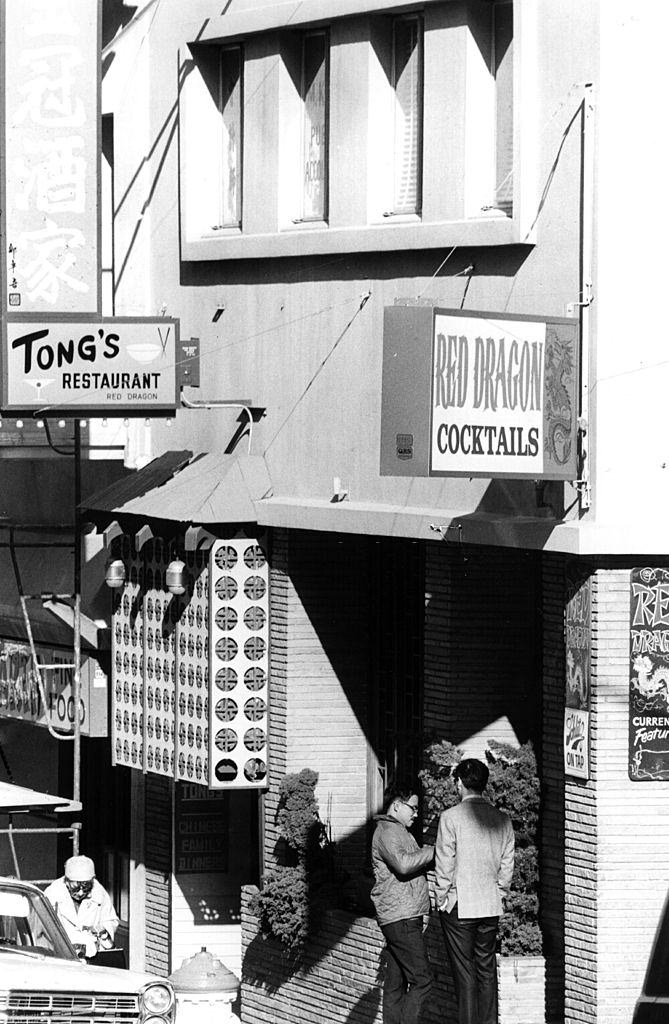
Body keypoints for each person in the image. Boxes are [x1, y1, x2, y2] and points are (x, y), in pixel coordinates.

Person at [435, 758, 515, 1024]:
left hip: (459, 904)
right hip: (489, 904)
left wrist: (442, 897)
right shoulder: (502, 819)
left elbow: (445, 862)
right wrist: (499, 893)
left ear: (459, 783)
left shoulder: (450, 818)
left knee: (465, 973)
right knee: (486, 969)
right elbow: (507, 864)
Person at [370, 781, 435, 1024]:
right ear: (397, 805)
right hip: (401, 917)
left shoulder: (397, 831)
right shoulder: (388, 832)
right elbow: (404, 864)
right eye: (413, 808)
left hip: (400, 916)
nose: (416, 814)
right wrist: (434, 850)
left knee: (395, 984)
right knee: (423, 980)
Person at [44, 855, 119, 958]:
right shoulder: (53, 893)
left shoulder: (99, 892)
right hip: (62, 955)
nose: (80, 893)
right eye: (75, 888)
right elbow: (42, 928)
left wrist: (102, 931)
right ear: (67, 881)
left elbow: (110, 920)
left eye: (85, 887)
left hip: (91, 954)